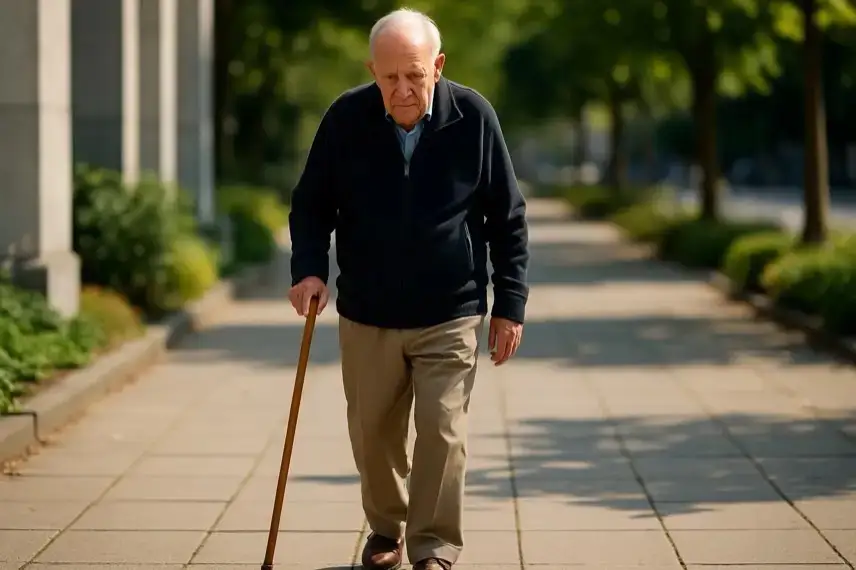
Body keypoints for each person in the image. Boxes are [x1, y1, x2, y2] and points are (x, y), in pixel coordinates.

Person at [287, 8, 529, 570]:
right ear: (373, 70)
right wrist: (308, 269)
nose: (401, 89)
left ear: (437, 66)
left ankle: (433, 546)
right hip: (368, 310)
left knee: (442, 432)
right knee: (374, 436)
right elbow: (311, 202)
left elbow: (507, 216)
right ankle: (386, 528)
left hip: (451, 309)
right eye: (389, 77)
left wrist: (509, 305)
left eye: (414, 75)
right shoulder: (346, 118)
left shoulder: (473, 117)